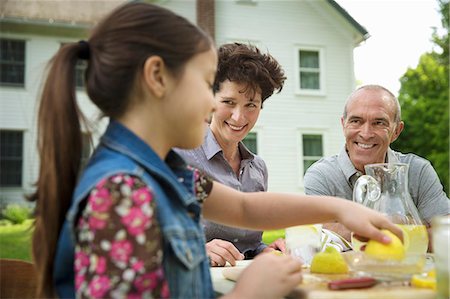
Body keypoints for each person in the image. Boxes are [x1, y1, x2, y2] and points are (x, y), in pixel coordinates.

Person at [30, 3, 402, 298]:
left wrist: (342, 208)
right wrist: (251, 293)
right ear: (157, 77)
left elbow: (244, 207)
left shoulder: (164, 170)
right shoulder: (120, 192)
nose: (215, 106)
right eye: (207, 82)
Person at [176, 42, 286, 266]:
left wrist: (265, 250)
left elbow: (251, 244)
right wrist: (199, 249)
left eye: (251, 105)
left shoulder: (258, 168)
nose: (239, 117)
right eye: (228, 102)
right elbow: (152, 234)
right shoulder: (180, 156)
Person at [304, 84, 450, 245]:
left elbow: (445, 232)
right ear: (343, 124)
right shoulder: (321, 175)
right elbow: (318, 233)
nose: (366, 134)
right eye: (356, 121)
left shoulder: (418, 171)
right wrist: (402, 223)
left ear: (396, 131)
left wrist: (347, 229)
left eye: (379, 123)